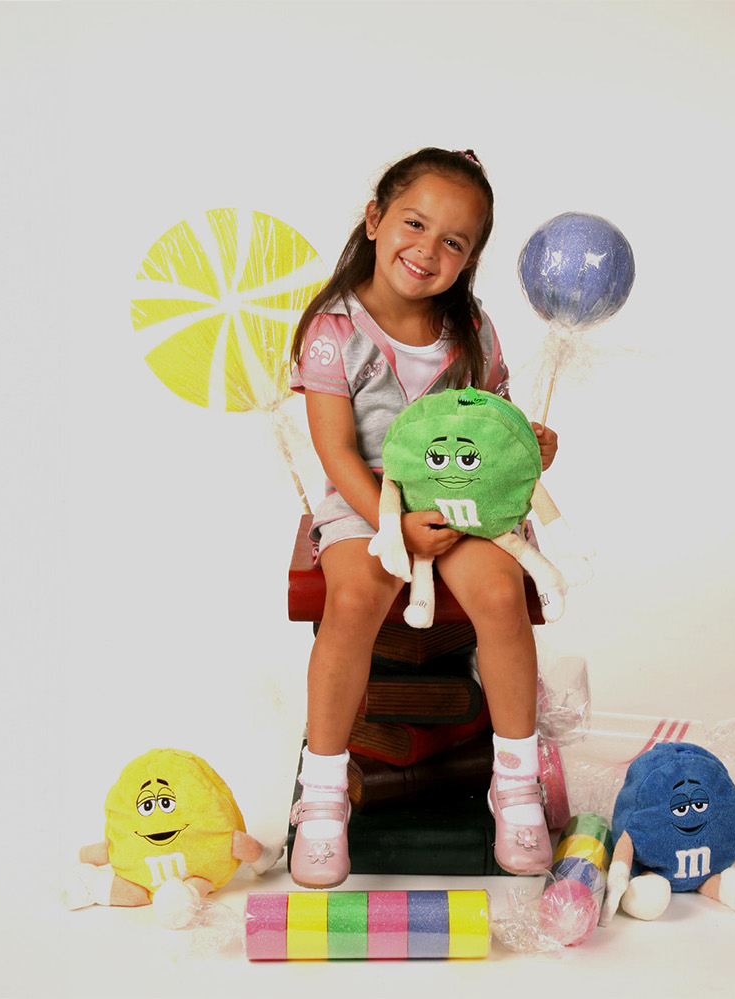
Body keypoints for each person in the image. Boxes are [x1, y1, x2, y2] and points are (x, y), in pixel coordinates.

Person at [287, 147, 559, 887]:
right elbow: (334, 449)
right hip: (365, 498)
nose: (427, 250)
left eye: (454, 241)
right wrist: (389, 523)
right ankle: (323, 791)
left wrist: (529, 446)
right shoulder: (333, 331)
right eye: (414, 223)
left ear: (470, 258)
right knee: (351, 597)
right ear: (375, 220)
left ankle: (515, 780)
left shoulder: (470, 326)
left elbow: (493, 423)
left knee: (501, 593)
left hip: (461, 501)